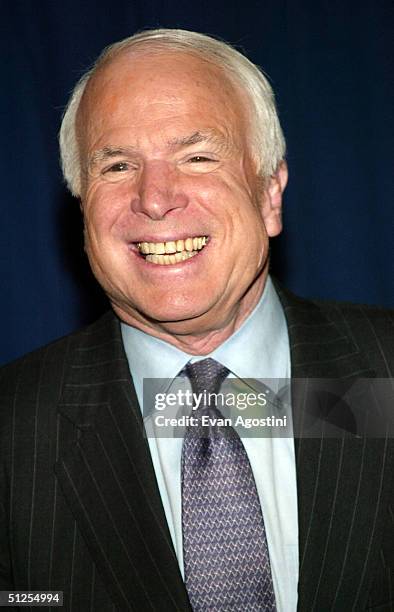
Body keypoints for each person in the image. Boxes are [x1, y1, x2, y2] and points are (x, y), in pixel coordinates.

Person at [0, 28, 393, 612]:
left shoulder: (382, 373)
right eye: (116, 166)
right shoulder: (11, 429)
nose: (155, 198)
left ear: (270, 195)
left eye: (197, 157)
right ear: (82, 207)